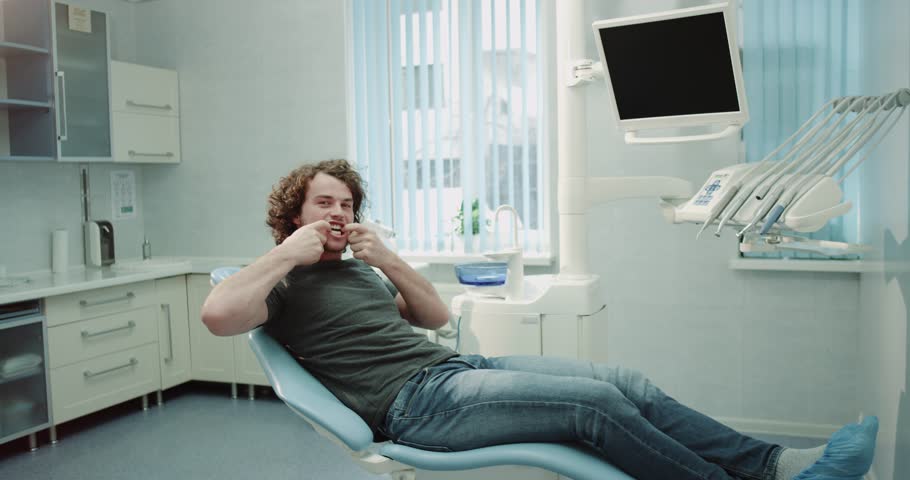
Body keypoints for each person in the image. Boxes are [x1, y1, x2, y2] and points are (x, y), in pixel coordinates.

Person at [202, 159, 879, 480]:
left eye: (348, 204)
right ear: (294, 212)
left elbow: (433, 316)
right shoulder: (277, 278)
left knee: (625, 382)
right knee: (594, 407)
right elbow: (218, 316)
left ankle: (775, 465)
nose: (339, 214)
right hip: (414, 407)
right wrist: (284, 253)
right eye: (324, 203)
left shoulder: (354, 266)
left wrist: (392, 261)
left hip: (453, 370)